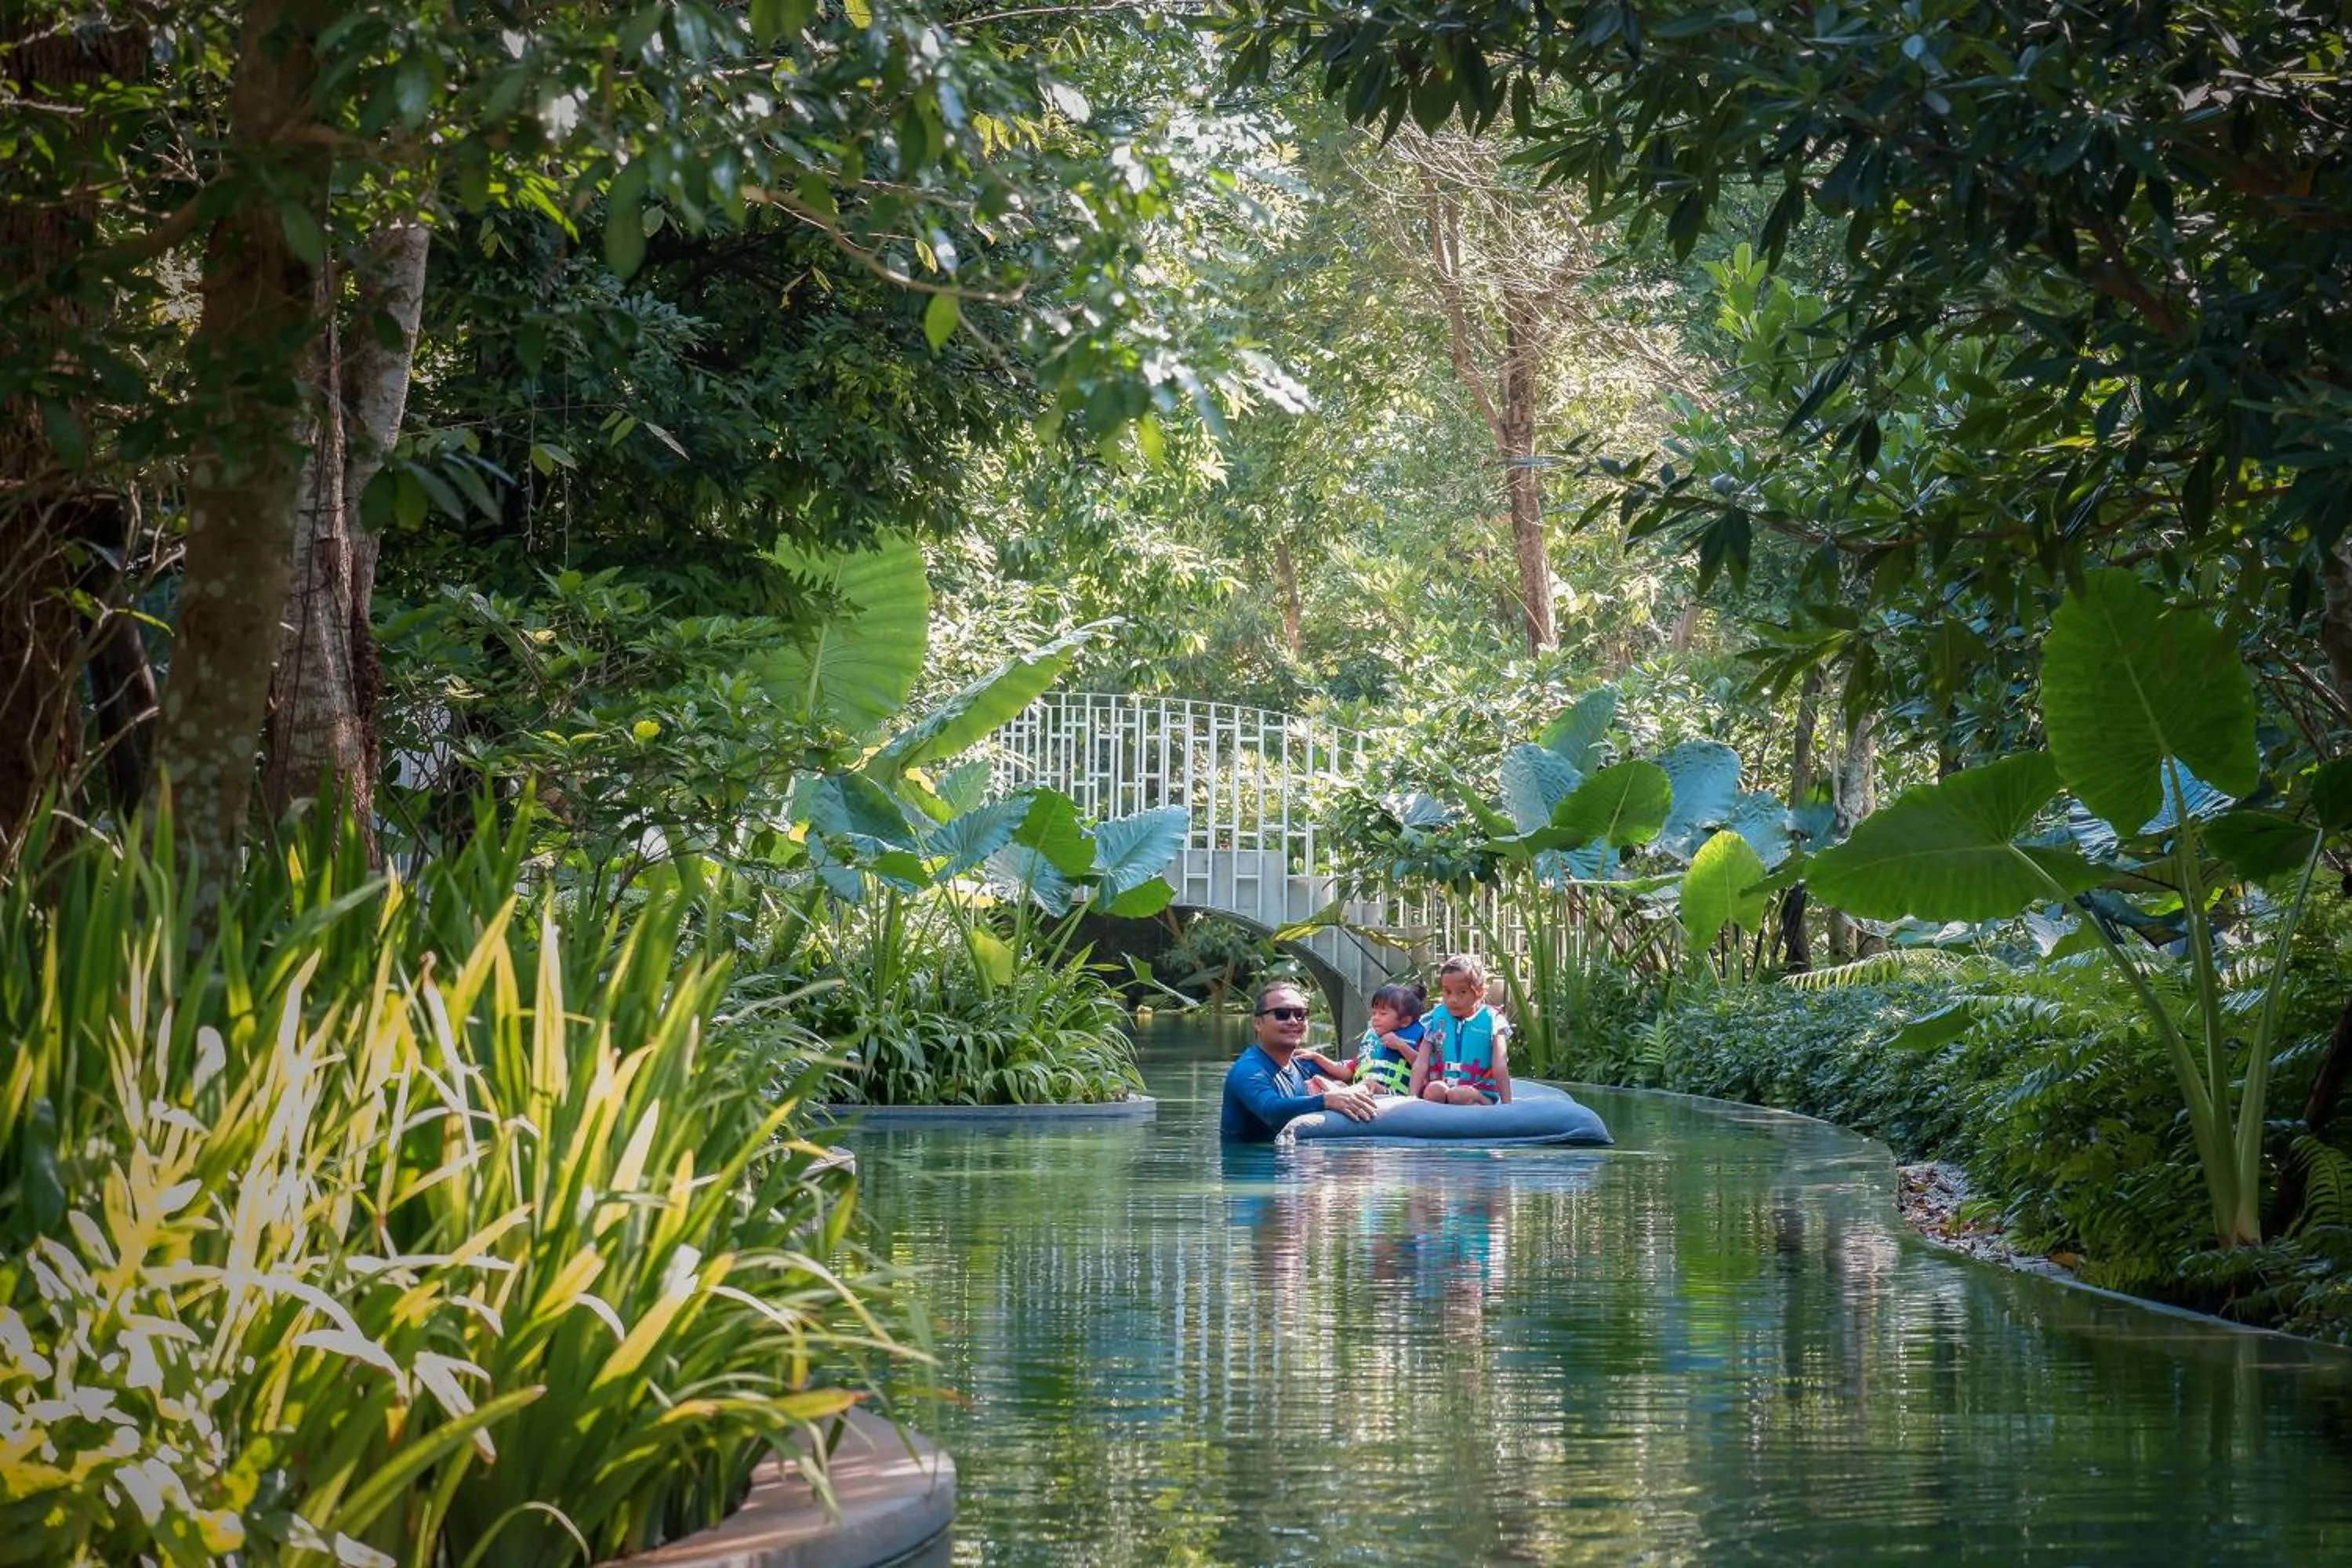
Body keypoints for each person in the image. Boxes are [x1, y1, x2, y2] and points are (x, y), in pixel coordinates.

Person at [1219, 981, 1379, 1142]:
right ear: (1258, 1023)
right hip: (1254, 1157)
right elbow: (1270, 1110)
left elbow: (1350, 1069)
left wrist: (1370, 1082)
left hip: (1298, 1154)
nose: (1294, 1021)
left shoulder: (1304, 1065)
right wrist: (1326, 1100)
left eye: (1300, 1014)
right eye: (1282, 1014)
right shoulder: (1247, 1070)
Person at [1410, 953, 1512, 1105]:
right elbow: (1421, 1063)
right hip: (1445, 1088)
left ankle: (1479, 1100)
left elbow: (1500, 1065)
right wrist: (1411, 1098)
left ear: (1479, 992)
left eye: (1462, 992)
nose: (1453, 999)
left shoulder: (1494, 1021)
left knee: (1459, 1095)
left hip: (1478, 1092)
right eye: (1447, 991)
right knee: (1433, 1090)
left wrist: (1507, 1105)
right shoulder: (1435, 1019)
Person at [1299, 983, 1427, 1097]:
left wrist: (1401, 1046)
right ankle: (1338, 1092)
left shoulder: (1421, 1039)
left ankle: (1339, 1092)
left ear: (1405, 1021)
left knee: (1368, 1085)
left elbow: (1426, 1069)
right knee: (1328, 1082)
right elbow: (1346, 1072)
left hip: (1394, 1096)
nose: (1375, 1018)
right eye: (1374, 1013)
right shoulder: (1371, 1042)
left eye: (1383, 1014)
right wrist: (1316, 1057)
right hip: (1365, 1092)